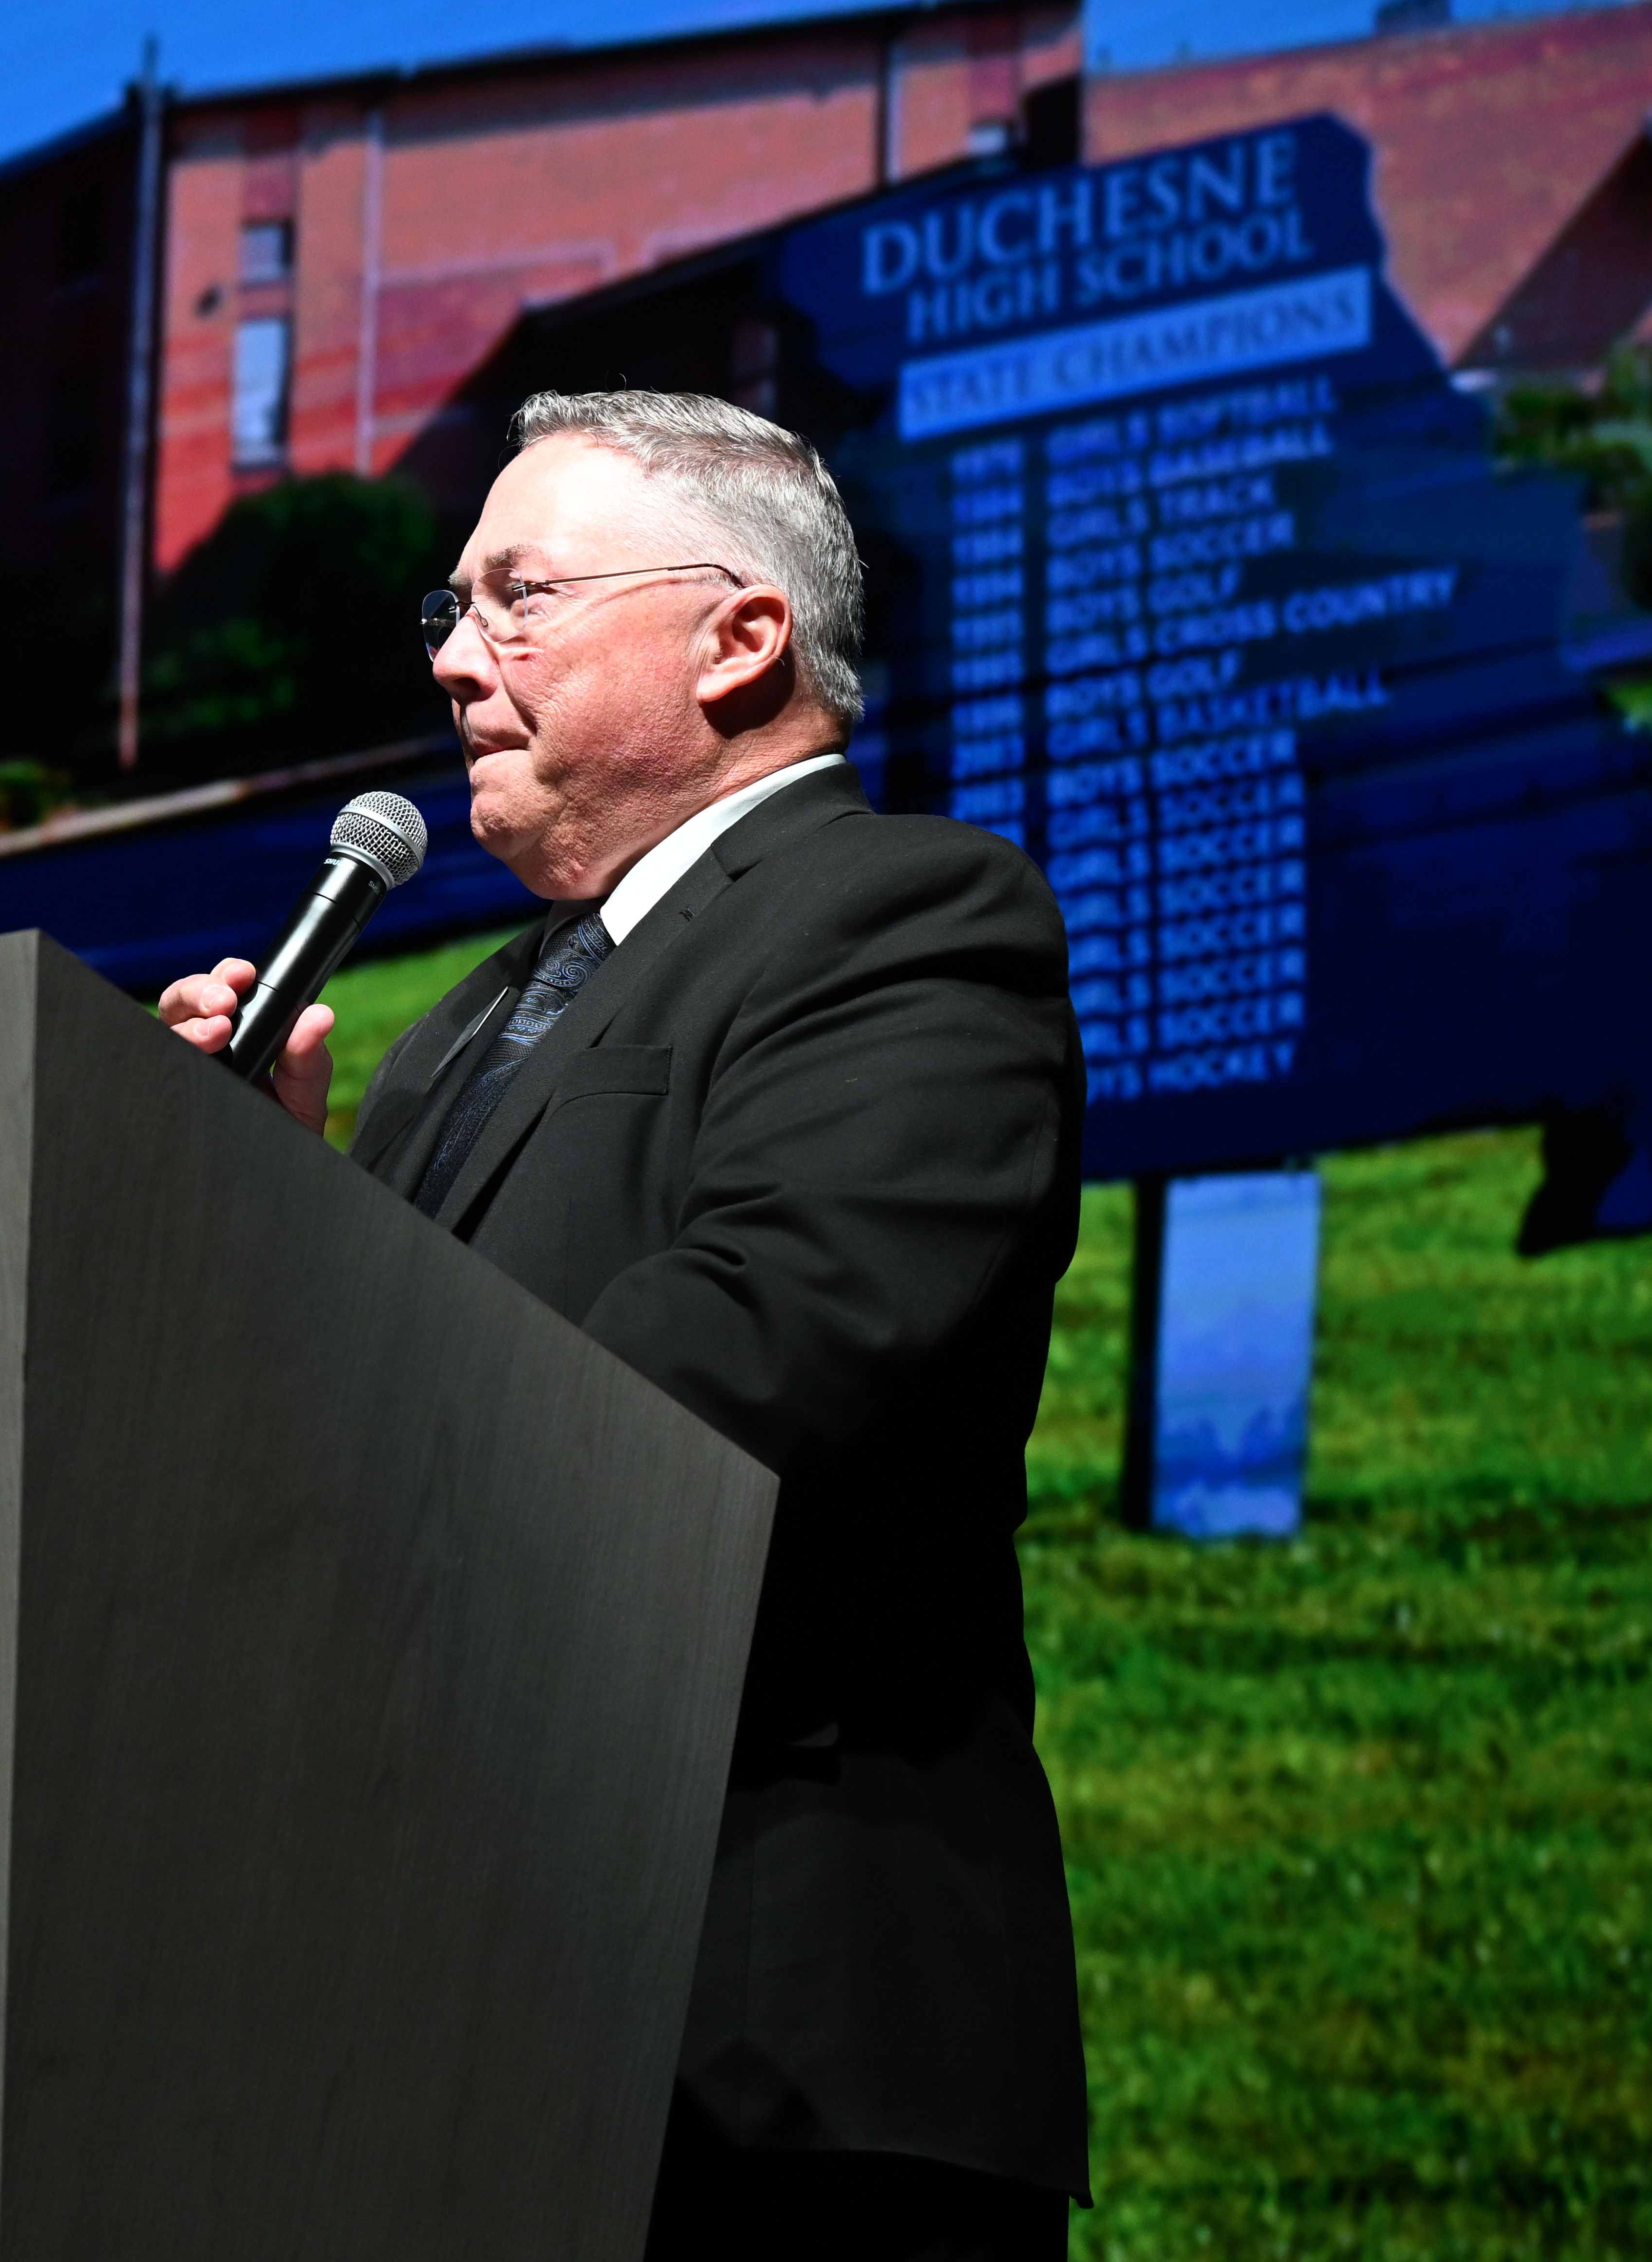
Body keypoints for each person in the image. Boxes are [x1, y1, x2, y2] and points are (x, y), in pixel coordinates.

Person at [165, 390, 1089, 2260]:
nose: (451, 654)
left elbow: (759, 1366)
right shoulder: (455, 1030)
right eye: (450, 605)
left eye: (515, 598)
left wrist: (336, 1322)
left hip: (756, 2051)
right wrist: (270, 1209)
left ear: (738, 639)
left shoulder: (905, 919)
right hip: (440, 2038)